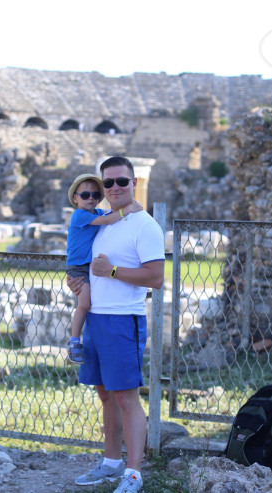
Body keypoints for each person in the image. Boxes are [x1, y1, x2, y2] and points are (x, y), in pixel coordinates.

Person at [68, 157, 165, 493]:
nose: (114, 188)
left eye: (121, 181)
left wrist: (110, 271)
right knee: (106, 396)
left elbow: (155, 277)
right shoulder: (103, 222)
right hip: (96, 318)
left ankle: (133, 474)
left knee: (126, 398)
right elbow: (87, 264)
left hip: (123, 320)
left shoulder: (144, 225)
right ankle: (111, 463)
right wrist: (79, 284)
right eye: (107, 183)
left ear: (134, 182)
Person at [66, 174, 142, 365]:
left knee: (92, 302)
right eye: (85, 195)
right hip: (79, 267)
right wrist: (129, 209)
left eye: (95, 194)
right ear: (75, 198)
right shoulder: (79, 215)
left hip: (90, 266)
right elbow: (109, 220)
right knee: (84, 304)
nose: (91, 198)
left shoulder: (97, 213)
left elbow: (110, 216)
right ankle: (74, 342)